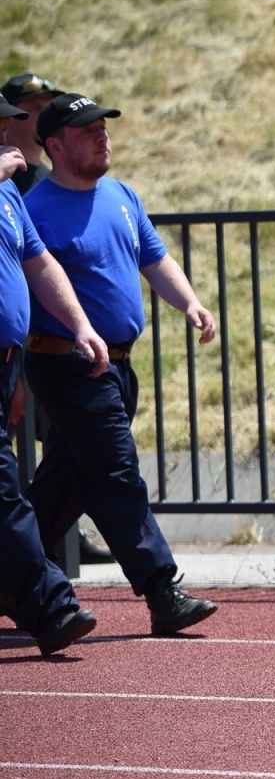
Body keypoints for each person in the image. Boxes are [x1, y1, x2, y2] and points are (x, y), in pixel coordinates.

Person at [23, 92, 220, 636]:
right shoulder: (34, 210)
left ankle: (12, 578)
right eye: (88, 131)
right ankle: (161, 590)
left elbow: (154, 258)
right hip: (69, 364)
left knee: (67, 481)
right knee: (114, 472)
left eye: (103, 127)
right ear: (56, 145)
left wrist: (190, 302)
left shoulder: (121, 195)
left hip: (118, 366)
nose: (102, 136)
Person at [0, 96, 107, 655]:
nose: (7, 134)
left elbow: (38, 264)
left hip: (5, 362)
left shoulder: (7, 195)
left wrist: (80, 324)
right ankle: (50, 604)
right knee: (5, 493)